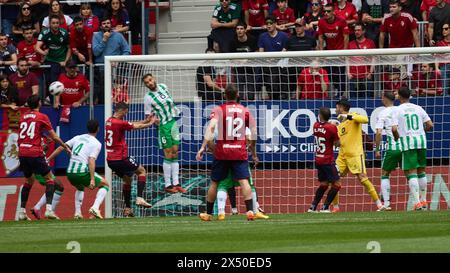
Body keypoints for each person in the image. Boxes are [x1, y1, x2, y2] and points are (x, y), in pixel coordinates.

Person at [198, 84, 257, 221]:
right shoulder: (245, 110)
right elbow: (253, 133)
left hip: (222, 152)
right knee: (244, 181)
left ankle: (208, 214)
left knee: (214, 183)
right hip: (239, 152)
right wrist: (253, 152)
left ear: (225, 95)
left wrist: (202, 147)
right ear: (237, 94)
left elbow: (211, 128)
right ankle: (249, 211)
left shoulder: (219, 109)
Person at [17, 95, 71, 220]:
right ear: (39, 104)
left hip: (23, 152)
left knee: (28, 181)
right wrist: (65, 146)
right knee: (49, 179)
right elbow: (54, 137)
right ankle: (48, 210)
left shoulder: (23, 117)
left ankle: (21, 212)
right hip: (34, 152)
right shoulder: (42, 117)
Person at [196, 126, 268, 220]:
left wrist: (213, 149)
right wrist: (253, 153)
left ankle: (219, 213)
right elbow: (250, 138)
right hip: (239, 154)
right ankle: (253, 211)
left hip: (223, 155)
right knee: (246, 183)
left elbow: (210, 138)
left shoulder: (221, 120)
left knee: (220, 184)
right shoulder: (241, 118)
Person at [47, 120, 110, 219]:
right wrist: (92, 179)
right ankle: (95, 207)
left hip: (70, 173)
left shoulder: (78, 137)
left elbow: (61, 148)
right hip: (81, 172)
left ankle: (77, 213)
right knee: (105, 184)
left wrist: (48, 159)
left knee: (80, 187)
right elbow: (91, 160)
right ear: (98, 129)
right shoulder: (96, 143)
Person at [106, 102, 156, 217]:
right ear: (122, 110)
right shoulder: (119, 123)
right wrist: (151, 123)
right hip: (121, 158)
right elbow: (135, 127)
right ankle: (139, 198)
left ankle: (128, 209)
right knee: (142, 171)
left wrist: (145, 120)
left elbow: (130, 124)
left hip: (111, 161)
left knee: (127, 179)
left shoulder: (109, 120)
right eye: (126, 111)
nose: (126, 114)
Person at [333, 98, 383, 212]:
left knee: (362, 178)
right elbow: (339, 142)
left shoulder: (353, 116)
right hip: (342, 156)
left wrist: (348, 116)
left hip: (355, 155)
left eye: (336, 107)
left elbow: (365, 119)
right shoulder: (340, 125)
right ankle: (335, 208)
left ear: (341, 107)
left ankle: (379, 204)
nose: (336, 110)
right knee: (333, 180)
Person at [142, 73, 187, 194]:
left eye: (150, 80)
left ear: (154, 79)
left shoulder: (163, 86)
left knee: (175, 151)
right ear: (146, 85)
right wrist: (153, 120)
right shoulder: (148, 97)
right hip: (163, 126)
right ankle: (168, 184)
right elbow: (148, 116)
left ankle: (177, 184)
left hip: (172, 122)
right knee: (168, 153)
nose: (150, 83)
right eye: (147, 82)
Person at [392, 87, 434, 210]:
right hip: (421, 142)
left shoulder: (397, 110)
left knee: (411, 172)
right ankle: (424, 200)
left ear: (399, 96)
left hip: (408, 143)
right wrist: (422, 132)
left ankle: (417, 203)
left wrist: (397, 138)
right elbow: (430, 124)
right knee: (421, 171)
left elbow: (394, 129)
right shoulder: (418, 108)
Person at [307, 107, 341, 213]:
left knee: (324, 184)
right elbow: (337, 144)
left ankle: (312, 207)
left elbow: (322, 130)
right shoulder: (332, 128)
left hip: (318, 159)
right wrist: (336, 129)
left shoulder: (315, 126)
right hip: (327, 160)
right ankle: (325, 207)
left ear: (320, 116)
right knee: (337, 184)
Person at [374, 92, 400, 211]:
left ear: (385, 99)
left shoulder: (383, 112)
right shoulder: (400, 110)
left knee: (385, 173)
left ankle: (387, 203)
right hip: (407, 147)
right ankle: (420, 202)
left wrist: (377, 149)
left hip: (393, 147)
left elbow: (379, 132)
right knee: (412, 173)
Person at [317, 4, 349, 98]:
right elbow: (320, 37)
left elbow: (346, 37)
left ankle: (340, 94)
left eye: (328, 11)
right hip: (329, 53)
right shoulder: (321, 22)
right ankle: (336, 91)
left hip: (340, 52)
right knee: (331, 74)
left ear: (334, 12)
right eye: (325, 11)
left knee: (340, 74)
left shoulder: (341, 21)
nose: (326, 13)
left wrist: (345, 52)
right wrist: (321, 52)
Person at [36, 14, 71, 86]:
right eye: (53, 23)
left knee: (61, 84)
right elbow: (37, 47)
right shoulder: (45, 33)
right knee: (50, 83)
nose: (55, 25)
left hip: (61, 61)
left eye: (57, 23)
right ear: (50, 24)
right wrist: (44, 53)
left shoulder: (64, 33)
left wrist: (65, 61)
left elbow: (69, 48)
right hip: (50, 60)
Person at [347, 23, 376, 98]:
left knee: (368, 97)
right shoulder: (350, 44)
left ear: (363, 31)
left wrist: (371, 72)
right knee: (353, 98)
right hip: (353, 75)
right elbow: (347, 59)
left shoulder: (370, 43)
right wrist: (348, 72)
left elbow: (373, 58)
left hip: (366, 74)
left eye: (359, 30)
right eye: (355, 30)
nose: (356, 32)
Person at [436, 22, 450, 93]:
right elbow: (436, 57)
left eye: (446, 29)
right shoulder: (440, 44)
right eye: (443, 29)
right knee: (445, 90)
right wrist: (437, 68)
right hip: (444, 67)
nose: (444, 30)